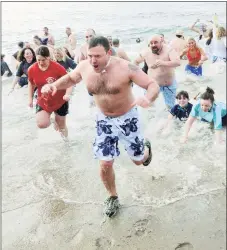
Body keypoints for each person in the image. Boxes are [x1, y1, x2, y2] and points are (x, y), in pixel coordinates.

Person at [41, 36, 160, 217]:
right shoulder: (84, 67)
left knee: (138, 161)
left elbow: (152, 84)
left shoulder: (125, 67)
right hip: (104, 120)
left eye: (97, 56)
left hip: (128, 118)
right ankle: (112, 197)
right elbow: (71, 79)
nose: (93, 60)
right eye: (90, 55)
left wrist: (148, 98)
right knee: (105, 163)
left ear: (109, 53)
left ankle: (146, 150)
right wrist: (54, 86)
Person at [27, 46, 73, 139]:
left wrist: (67, 94)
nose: (40, 63)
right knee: (41, 124)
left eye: (43, 60)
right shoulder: (32, 69)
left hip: (60, 100)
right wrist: (30, 99)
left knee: (62, 126)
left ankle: (66, 144)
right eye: (38, 60)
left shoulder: (57, 67)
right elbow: (31, 84)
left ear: (48, 57)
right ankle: (52, 120)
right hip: (43, 100)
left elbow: (70, 82)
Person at [134, 34, 181, 110]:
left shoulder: (169, 49)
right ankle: (151, 121)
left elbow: (177, 62)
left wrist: (163, 63)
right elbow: (136, 62)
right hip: (153, 85)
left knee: (170, 107)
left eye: (156, 42)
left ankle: (168, 121)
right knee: (148, 106)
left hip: (169, 84)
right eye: (151, 43)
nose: (153, 45)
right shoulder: (146, 52)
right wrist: (138, 75)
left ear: (161, 41)